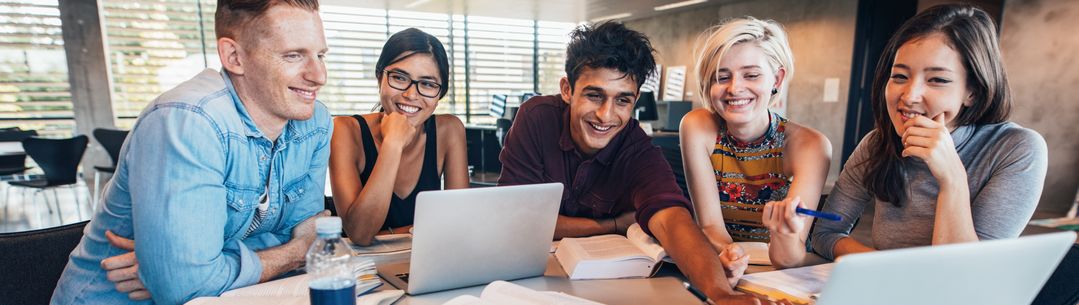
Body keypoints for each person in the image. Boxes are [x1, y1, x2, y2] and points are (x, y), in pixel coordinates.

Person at [50, 0, 332, 304]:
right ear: (234, 56)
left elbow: (312, 233)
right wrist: (294, 252)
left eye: (320, 55)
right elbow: (187, 287)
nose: (319, 76)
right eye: (293, 55)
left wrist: (180, 267)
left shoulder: (313, 122)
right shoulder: (188, 120)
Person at [498, 21, 779, 304]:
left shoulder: (637, 148)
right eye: (594, 95)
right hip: (526, 280)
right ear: (568, 89)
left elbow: (672, 220)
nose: (606, 115)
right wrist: (614, 224)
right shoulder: (536, 118)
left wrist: (720, 293)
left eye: (622, 100)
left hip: (604, 286)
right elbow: (520, 221)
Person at [806, 4, 1048, 262]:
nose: (909, 96)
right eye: (899, 76)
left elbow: (967, 272)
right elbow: (826, 233)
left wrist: (951, 177)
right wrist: (883, 268)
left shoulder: (1017, 148)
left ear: (973, 91)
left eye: (937, 80)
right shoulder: (877, 143)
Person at [680, 17, 831, 272]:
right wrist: (731, 255)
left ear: (777, 79)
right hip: (726, 265)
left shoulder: (810, 145)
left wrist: (783, 234)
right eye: (722, 77)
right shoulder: (697, 127)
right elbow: (711, 228)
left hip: (784, 273)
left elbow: (789, 258)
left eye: (751, 75)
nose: (735, 88)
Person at [328, 28, 468, 246]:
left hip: (428, 260)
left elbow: (459, 223)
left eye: (428, 84)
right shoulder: (345, 130)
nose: (411, 95)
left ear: (440, 94)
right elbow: (360, 234)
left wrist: (388, 233)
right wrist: (393, 143)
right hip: (366, 270)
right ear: (379, 78)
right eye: (399, 78)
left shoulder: (449, 130)